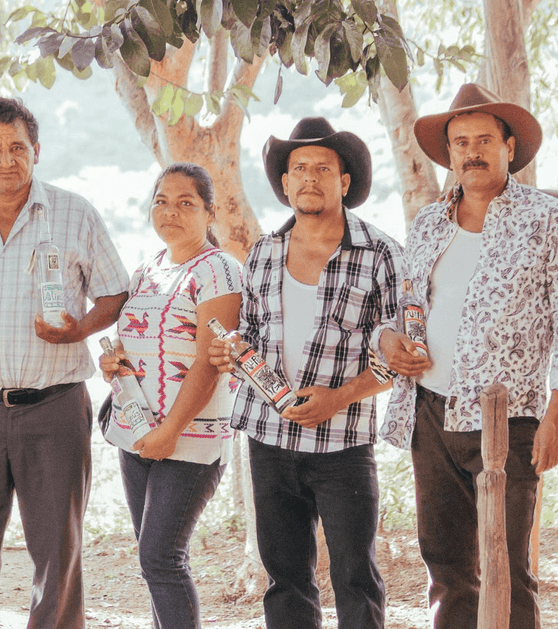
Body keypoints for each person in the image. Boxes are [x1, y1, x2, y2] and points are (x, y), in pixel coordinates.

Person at [0, 97, 129, 629]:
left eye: (17, 147)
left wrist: (79, 329)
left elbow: (114, 294)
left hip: (55, 409)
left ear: (36, 151)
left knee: (58, 556)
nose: (6, 160)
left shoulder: (75, 212)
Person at [208, 117, 402, 628]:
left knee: (356, 577)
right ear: (286, 183)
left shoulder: (380, 254)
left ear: (344, 182)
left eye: (323, 167)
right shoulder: (263, 253)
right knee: (286, 579)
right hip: (269, 440)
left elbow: (401, 355)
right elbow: (246, 333)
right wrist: (233, 355)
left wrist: (340, 397)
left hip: (344, 443)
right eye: (299, 169)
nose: (310, 178)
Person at [378, 83, 558, 629]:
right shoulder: (430, 222)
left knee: (507, 565)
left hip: (510, 417)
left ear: (509, 147)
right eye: (460, 143)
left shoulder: (546, 219)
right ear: (450, 154)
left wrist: (557, 410)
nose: (472, 151)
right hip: (430, 412)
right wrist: (389, 343)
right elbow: (400, 311)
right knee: (446, 563)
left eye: (484, 140)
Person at [98, 163, 242, 628]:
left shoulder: (218, 270)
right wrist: (111, 363)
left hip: (189, 437)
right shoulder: (146, 273)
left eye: (186, 203)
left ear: (209, 212)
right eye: (161, 201)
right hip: (138, 433)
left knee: (162, 557)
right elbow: (132, 345)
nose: (170, 212)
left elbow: (209, 362)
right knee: (152, 560)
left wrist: (170, 432)